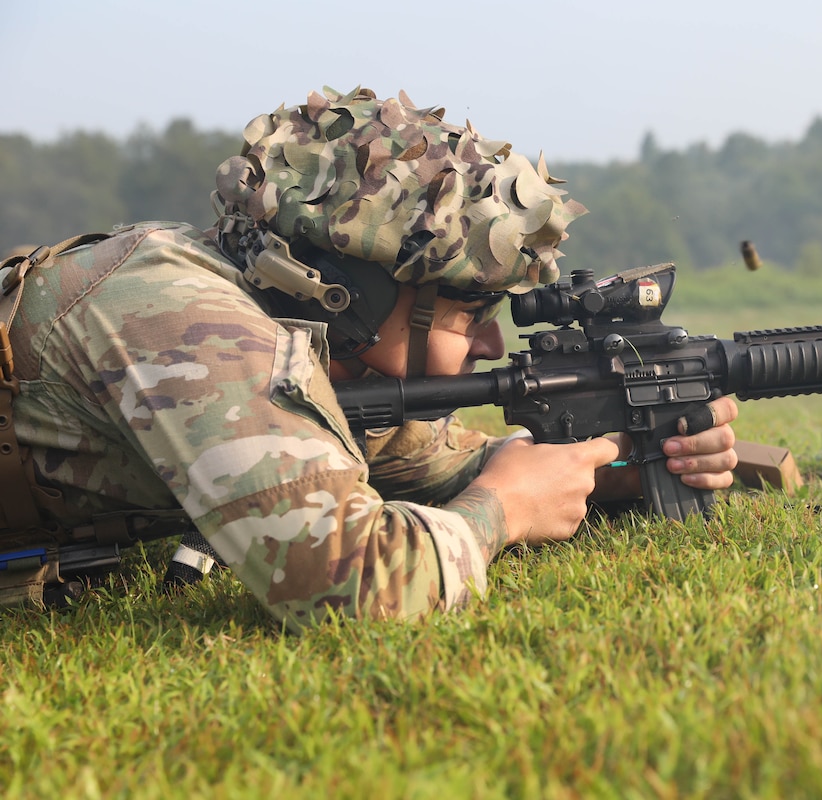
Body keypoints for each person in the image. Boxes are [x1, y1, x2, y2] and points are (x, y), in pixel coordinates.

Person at [0, 87, 738, 627]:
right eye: (468, 314)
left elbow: (422, 463)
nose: (490, 345)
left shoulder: (304, 336)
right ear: (351, 293)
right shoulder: (184, 319)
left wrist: (616, 466)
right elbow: (352, 586)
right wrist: (503, 512)